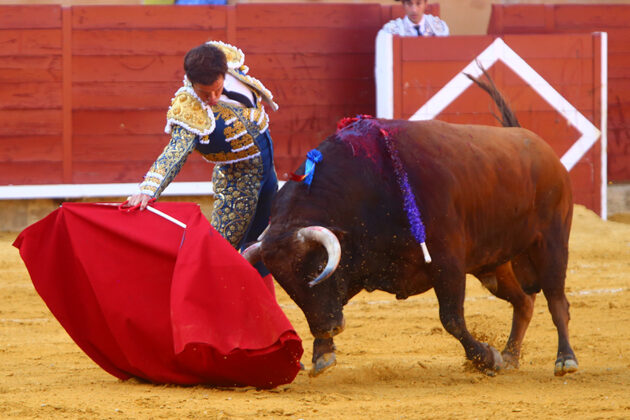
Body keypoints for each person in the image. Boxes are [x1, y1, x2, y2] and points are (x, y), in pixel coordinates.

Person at [124, 41, 279, 278]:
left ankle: (262, 313)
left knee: (261, 250)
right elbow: (175, 152)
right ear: (190, 81)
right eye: (204, 93)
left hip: (268, 175)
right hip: (237, 183)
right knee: (217, 254)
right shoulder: (189, 109)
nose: (213, 99)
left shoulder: (228, 63)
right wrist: (148, 189)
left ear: (224, 72)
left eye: (217, 90)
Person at [380, 0, 449, 37]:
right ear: (403, 4)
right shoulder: (390, 31)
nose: (414, 10)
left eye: (418, 3)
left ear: (425, 3)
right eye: (409, 4)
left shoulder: (440, 27)